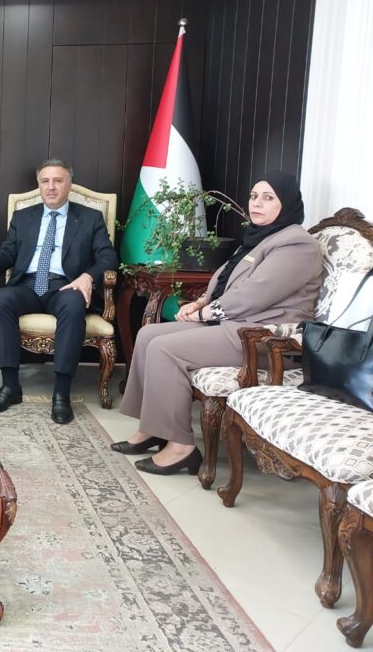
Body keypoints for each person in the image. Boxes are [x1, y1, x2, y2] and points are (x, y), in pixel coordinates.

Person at [113, 172, 322, 475]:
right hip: (234, 325)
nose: (257, 203)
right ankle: (153, 428)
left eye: (268, 198)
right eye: (253, 196)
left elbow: (254, 295)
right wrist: (200, 302)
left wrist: (206, 314)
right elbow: (226, 278)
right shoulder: (261, 236)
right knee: (148, 335)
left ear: (287, 203)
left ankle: (181, 448)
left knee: (164, 349)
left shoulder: (297, 245)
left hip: (263, 336)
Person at [0, 159, 118, 423]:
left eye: (57, 181)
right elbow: (8, 252)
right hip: (28, 285)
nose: (51, 187)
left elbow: (108, 258)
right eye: (45, 181)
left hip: (65, 286)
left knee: (74, 303)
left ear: (69, 185)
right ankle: (10, 387)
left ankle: (61, 393)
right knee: (2, 299)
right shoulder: (23, 217)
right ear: (39, 185)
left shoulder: (90, 218)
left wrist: (88, 277)